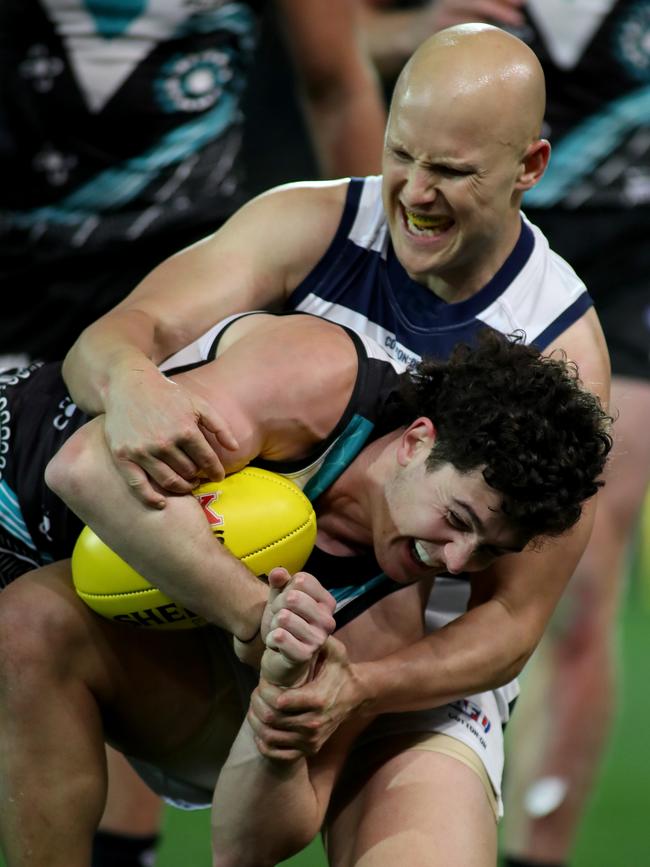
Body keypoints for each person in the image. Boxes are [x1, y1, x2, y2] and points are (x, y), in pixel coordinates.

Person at [58, 23, 611, 863]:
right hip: (232, 611)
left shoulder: (560, 346)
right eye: (402, 155)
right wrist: (132, 382)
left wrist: (360, 685)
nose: (415, 193)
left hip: (413, 674)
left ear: (528, 168)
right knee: (30, 629)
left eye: (453, 172)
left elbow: (511, 620)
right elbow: (112, 338)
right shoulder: (313, 221)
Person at [0, 311, 612, 866]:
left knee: (28, 624)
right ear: (416, 441)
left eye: (487, 552)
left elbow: (247, 848)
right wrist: (253, 614)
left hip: (65, 598)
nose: (453, 561)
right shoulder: (318, 383)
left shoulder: (379, 622)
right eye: (457, 520)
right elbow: (82, 468)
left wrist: (278, 710)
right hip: (15, 473)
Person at [0, 3, 386, 863]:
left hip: (176, 286)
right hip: (16, 275)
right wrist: (260, 617)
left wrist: (373, 278)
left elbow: (335, 77)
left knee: (130, 575)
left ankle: (123, 850)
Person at [360, 4, 650, 863]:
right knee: (399, 502)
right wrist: (419, 29)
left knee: (581, 583)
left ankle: (532, 851)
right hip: (456, 230)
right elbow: (341, 47)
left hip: (632, 249)